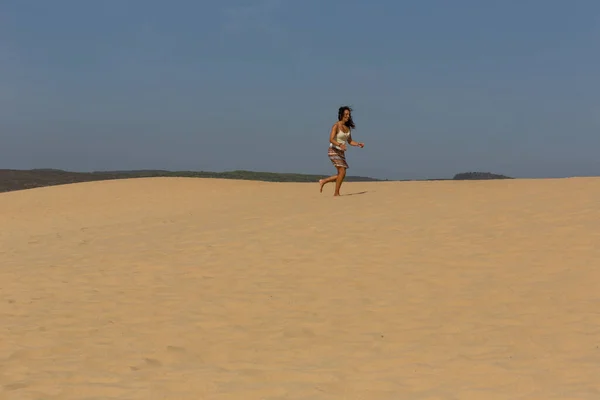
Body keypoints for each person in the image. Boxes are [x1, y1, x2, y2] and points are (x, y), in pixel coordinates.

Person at [319, 106, 365, 196]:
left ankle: (324, 181)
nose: (348, 116)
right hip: (333, 150)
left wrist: (358, 144)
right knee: (342, 172)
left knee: (341, 174)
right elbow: (331, 139)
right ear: (341, 115)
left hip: (341, 152)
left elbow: (350, 141)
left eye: (349, 114)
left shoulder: (348, 128)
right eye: (346, 114)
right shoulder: (336, 126)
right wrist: (340, 145)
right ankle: (336, 193)